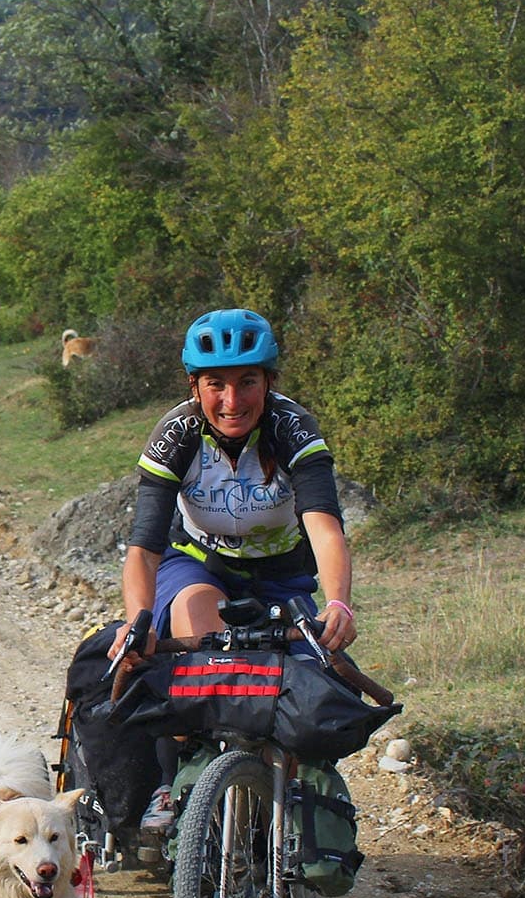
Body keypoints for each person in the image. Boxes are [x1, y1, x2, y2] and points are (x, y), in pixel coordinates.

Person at [114, 308, 356, 857]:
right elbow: (144, 548)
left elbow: (324, 527)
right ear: (194, 386)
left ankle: (278, 804)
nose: (232, 400)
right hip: (198, 563)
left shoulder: (293, 429)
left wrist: (338, 601)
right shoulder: (175, 434)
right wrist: (139, 620)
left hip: (280, 576)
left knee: (296, 691)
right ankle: (175, 785)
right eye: (215, 384)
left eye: (247, 382)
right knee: (202, 643)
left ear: (269, 382)